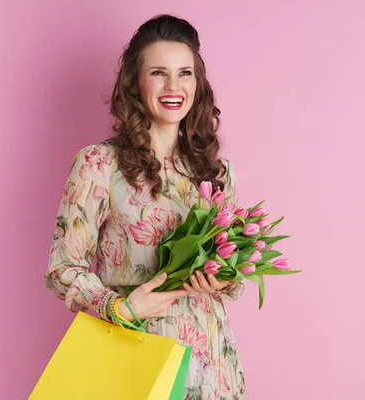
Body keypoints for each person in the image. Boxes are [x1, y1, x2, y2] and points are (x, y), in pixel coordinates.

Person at [44, 14, 248, 399]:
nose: (174, 87)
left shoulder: (217, 172)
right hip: (137, 358)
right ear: (135, 83)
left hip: (213, 363)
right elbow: (62, 268)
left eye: (185, 73)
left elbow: (231, 276)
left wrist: (223, 279)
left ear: (198, 82)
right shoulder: (100, 165)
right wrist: (118, 307)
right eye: (158, 72)